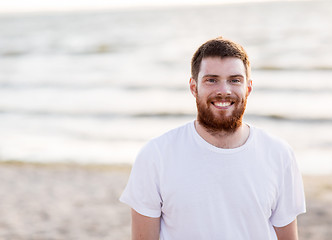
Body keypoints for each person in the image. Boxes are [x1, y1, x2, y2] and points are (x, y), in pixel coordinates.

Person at [120, 37, 306, 240]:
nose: (224, 91)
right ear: (193, 87)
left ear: (248, 88)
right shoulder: (155, 156)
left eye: (235, 80)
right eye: (211, 80)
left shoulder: (279, 154)